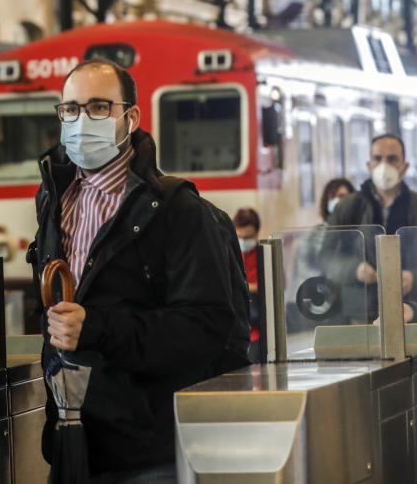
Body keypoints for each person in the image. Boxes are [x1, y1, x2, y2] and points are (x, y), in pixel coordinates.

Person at [27, 59, 248, 483]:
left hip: (149, 450)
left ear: (130, 117)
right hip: (74, 441)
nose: (80, 121)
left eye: (98, 107)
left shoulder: (177, 210)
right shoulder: (53, 200)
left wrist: (95, 327)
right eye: (70, 109)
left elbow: (205, 326)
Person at [327, 134, 417, 317]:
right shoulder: (348, 208)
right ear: (369, 165)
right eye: (378, 158)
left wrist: (415, 278)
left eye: (392, 159)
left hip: (414, 314)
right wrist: (354, 269)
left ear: (405, 166)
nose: (384, 166)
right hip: (358, 315)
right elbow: (324, 257)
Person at [233, 207, 262, 360]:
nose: (244, 241)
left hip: (258, 326)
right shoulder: (229, 253)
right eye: (240, 237)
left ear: (257, 233)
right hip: (236, 326)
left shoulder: (264, 254)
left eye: (248, 237)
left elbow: (275, 284)